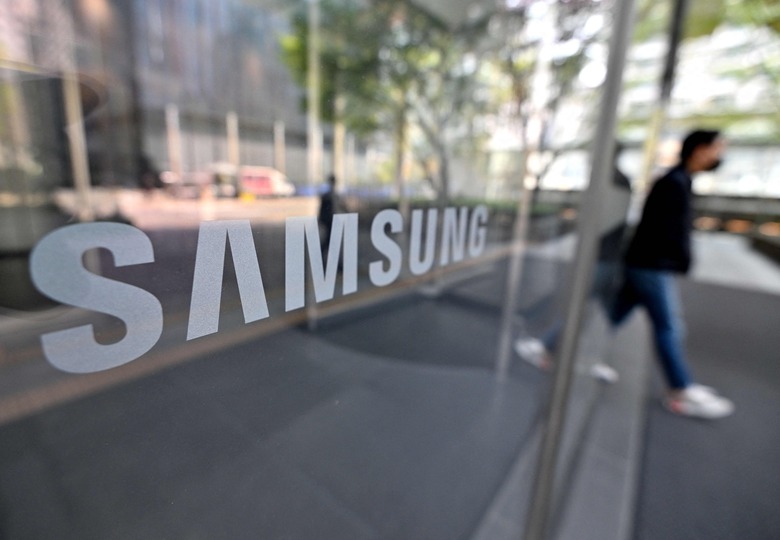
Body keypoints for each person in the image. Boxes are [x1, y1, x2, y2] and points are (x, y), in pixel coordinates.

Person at [517, 130, 734, 420]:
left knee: (610, 315)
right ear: (700, 149)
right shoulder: (671, 183)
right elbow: (660, 230)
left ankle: (554, 348)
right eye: (716, 148)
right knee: (668, 326)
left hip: (646, 264)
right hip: (650, 266)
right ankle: (680, 388)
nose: (719, 155)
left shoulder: (676, 181)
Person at [318, 174, 340, 257]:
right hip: (329, 221)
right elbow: (323, 209)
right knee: (329, 240)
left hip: (332, 220)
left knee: (330, 240)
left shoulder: (333, 195)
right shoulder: (328, 196)